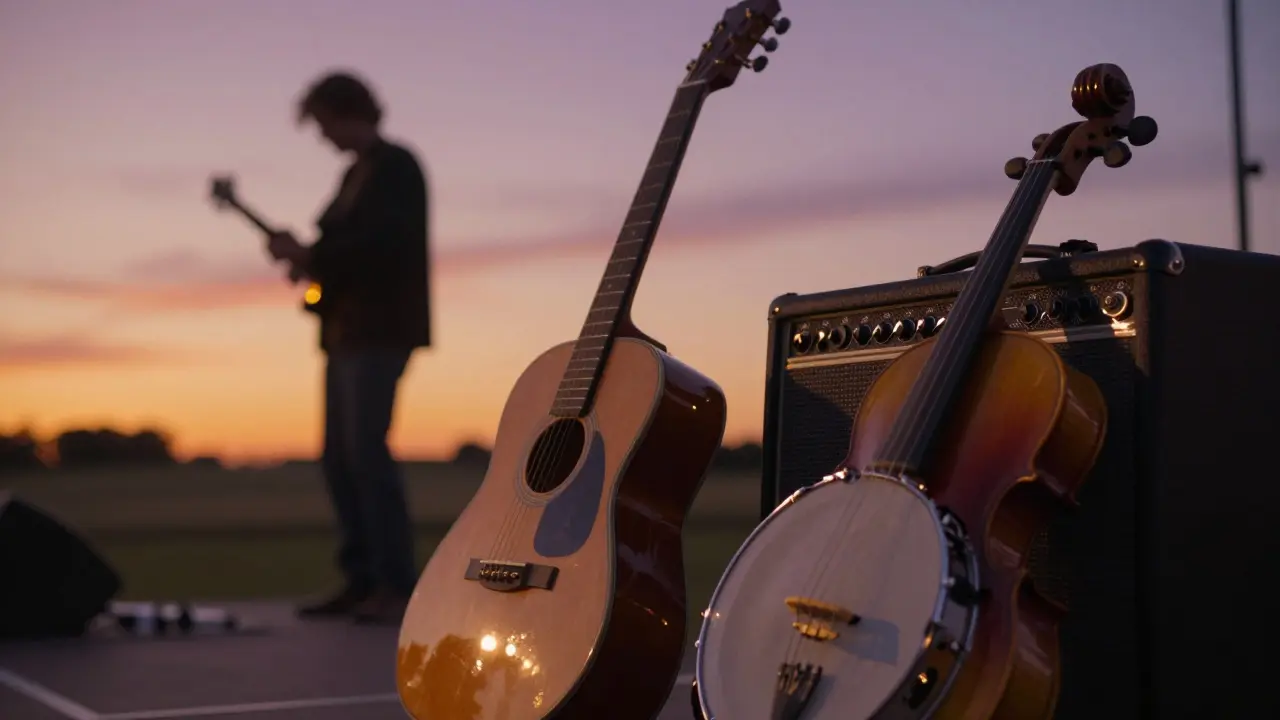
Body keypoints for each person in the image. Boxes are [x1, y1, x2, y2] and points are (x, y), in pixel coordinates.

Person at [265, 70, 431, 625]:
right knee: (339, 457)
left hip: (379, 332)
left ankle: (393, 584)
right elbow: (343, 251)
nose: (323, 137)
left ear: (345, 112)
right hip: (344, 333)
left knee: (366, 453)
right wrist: (310, 260)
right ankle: (362, 581)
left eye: (324, 123)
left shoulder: (395, 167)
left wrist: (312, 256)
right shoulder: (356, 176)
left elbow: (383, 246)